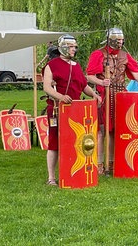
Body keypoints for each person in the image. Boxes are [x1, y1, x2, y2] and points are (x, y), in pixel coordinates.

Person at [86, 27, 138, 174]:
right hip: (104, 95)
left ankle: (111, 163)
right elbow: (89, 76)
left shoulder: (125, 55)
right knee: (101, 131)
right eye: (117, 40)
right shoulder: (98, 54)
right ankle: (99, 164)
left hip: (120, 97)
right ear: (110, 40)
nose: (120, 42)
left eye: (121, 40)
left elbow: (136, 74)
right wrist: (101, 83)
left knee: (115, 131)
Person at [42, 35, 102, 186]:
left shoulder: (76, 66)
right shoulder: (52, 65)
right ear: (64, 47)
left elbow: (83, 85)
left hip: (75, 110)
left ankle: (73, 171)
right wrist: (60, 97)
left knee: (76, 141)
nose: (75, 49)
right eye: (72, 46)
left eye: (75, 46)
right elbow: (47, 87)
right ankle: (51, 178)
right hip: (57, 108)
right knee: (54, 142)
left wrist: (94, 94)